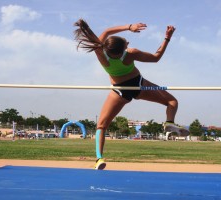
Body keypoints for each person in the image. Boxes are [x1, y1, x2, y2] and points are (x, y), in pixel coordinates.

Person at [74, 19, 189, 170]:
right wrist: (167, 37)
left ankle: (99, 158)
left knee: (101, 126)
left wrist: (128, 27)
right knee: (172, 102)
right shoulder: (131, 54)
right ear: (124, 49)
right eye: (125, 42)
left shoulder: (100, 51)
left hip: (120, 90)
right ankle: (169, 123)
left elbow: (106, 32)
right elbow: (156, 57)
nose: (127, 41)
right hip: (139, 85)